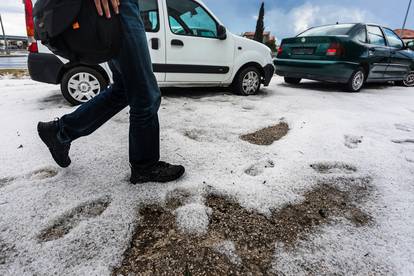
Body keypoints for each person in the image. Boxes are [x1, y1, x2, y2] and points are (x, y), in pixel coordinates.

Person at [37, 0, 185, 184]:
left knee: (123, 89)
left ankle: (60, 132)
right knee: (145, 95)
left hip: (120, 9)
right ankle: (145, 167)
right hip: (120, 7)